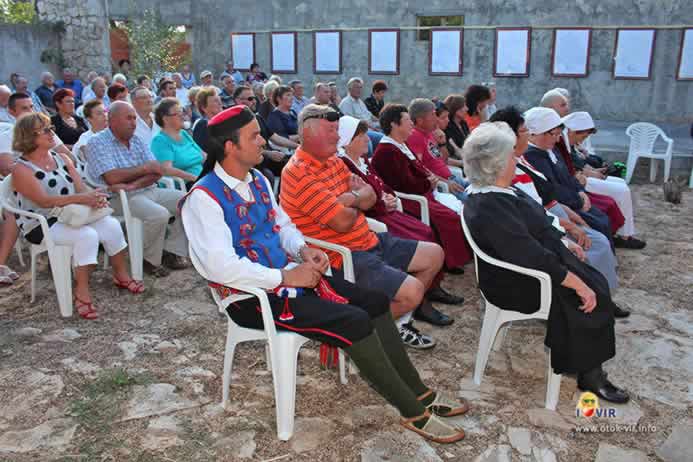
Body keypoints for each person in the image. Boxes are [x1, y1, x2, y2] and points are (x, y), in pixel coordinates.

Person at [181, 105, 468, 443]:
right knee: (354, 320)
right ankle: (411, 411)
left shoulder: (256, 179)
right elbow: (220, 266)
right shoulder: (203, 198)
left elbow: (282, 225)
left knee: (374, 302)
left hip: (287, 278)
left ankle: (419, 392)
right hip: (251, 297)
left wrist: (303, 250)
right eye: (254, 136)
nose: (262, 142)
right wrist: (287, 278)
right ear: (230, 146)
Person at [462, 122, 630, 403]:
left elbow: (538, 226)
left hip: (536, 265)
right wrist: (575, 282)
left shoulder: (502, 191)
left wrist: (565, 242)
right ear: (496, 164)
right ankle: (590, 374)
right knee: (591, 295)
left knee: (595, 285)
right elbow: (527, 254)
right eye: (511, 156)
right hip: (518, 281)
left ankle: (588, 365)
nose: (517, 159)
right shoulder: (491, 204)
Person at [282, 104, 447, 348]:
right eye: (331, 130)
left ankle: (394, 323)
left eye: (338, 130)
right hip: (343, 255)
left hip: (368, 239)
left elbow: (371, 196)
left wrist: (351, 199)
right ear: (309, 133)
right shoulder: (299, 173)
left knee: (435, 254)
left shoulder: (333, 162)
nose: (338, 136)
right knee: (412, 293)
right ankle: (359, 330)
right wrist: (359, 198)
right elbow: (341, 221)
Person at [12, 112, 143, 319]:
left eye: (51, 128)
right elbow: (44, 202)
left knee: (110, 225)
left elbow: (80, 188)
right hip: (42, 222)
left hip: (71, 213)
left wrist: (93, 197)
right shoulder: (21, 169)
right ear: (29, 136)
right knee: (87, 236)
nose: (51, 133)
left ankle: (121, 274)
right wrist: (82, 200)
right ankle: (81, 291)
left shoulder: (62, 158)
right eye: (45, 130)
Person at [489, 107, 625, 300]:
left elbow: (544, 195)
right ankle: (596, 296)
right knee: (597, 244)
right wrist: (567, 228)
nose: (529, 134)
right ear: (509, 136)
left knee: (599, 234)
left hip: (553, 215)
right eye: (524, 131)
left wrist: (569, 211)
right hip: (545, 226)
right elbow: (531, 214)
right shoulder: (509, 169)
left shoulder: (520, 160)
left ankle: (602, 294)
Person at [338, 115, 463, 308]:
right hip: (375, 217)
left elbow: (381, 184)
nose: (367, 139)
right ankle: (420, 301)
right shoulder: (345, 164)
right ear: (347, 142)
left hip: (385, 209)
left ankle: (429, 290)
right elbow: (359, 200)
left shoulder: (362, 160)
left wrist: (389, 196)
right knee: (423, 234)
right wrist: (382, 202)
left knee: (426, 231)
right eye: (360, 136)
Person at [85, 101, 189, 277]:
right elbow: (112, 178)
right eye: (129, 118)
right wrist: (143, 169)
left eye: (134, 118)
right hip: (119, 198)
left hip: (143, 189)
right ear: (113, 120)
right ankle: (149, 260)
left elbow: (157, 170)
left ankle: (171, 251)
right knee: (159, 215)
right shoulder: (97, 142)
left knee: (190, 202)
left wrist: (134, 182)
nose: (134, 122)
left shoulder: (137, 140)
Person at [372, 104, 472, 275]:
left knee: (456, 211)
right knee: (449, 217)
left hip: (423, 193)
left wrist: (430, 179)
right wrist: (428, 183)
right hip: (409, 199)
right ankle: (450, 261)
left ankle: (454, 257)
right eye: (407, 120)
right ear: (394, 125)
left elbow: (419, 169)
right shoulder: (387, 151)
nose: (411, 123)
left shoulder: (400, 145)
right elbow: (402, 183)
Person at [522, 107, 615, 244]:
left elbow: (568, 175)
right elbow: (553, 189)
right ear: (534, 134)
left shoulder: (550, 148)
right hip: (563, 205)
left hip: (573, 198)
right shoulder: (533, 156)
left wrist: (580, 191)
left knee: (602, 219)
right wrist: (579, 199)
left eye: (559, 134)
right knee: (599, 227)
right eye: (553, 134)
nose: (558, 138)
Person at [562, 112, 645, 249]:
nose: (585, 138)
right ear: (573, 131)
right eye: (584, 134)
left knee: (621, 184)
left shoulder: (567, 140)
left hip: (579, 179)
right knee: (622, 191)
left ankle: (624, 234)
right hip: (577, 182)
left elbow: (577, 163)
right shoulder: (560, 140)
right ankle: (624, 236)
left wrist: (591, 171)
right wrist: (585, 173)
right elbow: (570, 167)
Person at [407, 99, 468, 202]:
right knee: (478, 203)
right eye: (432, 115)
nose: (436, 119)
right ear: (420, 120)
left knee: (487, 188)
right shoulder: (415, 136)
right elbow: (419, 170)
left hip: (452, 178)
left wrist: (442, 143)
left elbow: (443, 160)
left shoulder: (430, 133)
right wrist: (446, 183)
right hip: (443, 185)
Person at [234, 85, 297, 179]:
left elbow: (276, 138)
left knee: (294, 167)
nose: (254, 101)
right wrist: (268, 153)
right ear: (237, 100)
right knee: (269, 175)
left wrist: (299, 147)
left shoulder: (258, 117)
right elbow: (244, 146)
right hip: (252, 162)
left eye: (254, 98)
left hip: (265, 158)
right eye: (250, 99)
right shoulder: (235, 120)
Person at [151, 98, 205, 188]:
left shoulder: (183, 133)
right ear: (165, 119)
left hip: (201, 179)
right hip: (185, 185)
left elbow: (203, 156)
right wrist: (194, 178)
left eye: (182, 112)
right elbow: (166, 169)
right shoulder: (160, 140)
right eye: (177, 113)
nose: (182, 116)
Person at [72, 99, 108, 164]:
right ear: (89, 119)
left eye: (105, 111)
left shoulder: (115, 133)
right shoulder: (85, 138)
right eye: (99, 113)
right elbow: (92, 158)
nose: (104, 115)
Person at [192, 87, 223, 154]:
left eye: (219, 100)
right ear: (204, 107)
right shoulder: (202, 125)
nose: (220, 103)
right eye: (215, 101)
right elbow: (200, 151)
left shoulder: (224, 122)